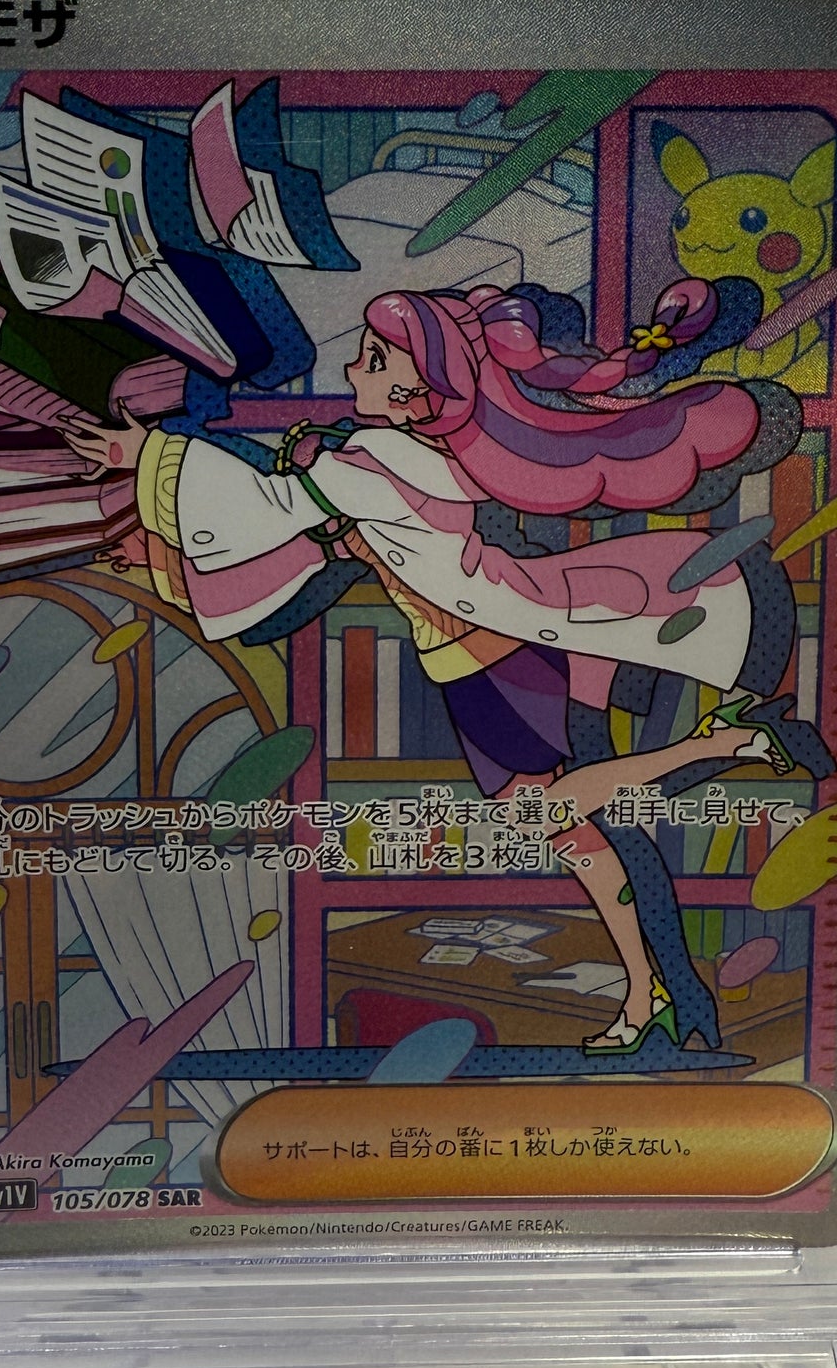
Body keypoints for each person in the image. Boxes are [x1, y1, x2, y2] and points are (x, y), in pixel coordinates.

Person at [65, 284, 788, 1055]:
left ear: (420, 391)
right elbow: (313, 538)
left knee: (551, 817)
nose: (354, 368)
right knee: (575, 834)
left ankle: (730, 746)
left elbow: (269, 505)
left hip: (497, 657)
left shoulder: (381, 458)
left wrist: (147, 455)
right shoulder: (404, 458)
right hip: (477, 658)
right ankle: (646, 994)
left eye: (375, 360)